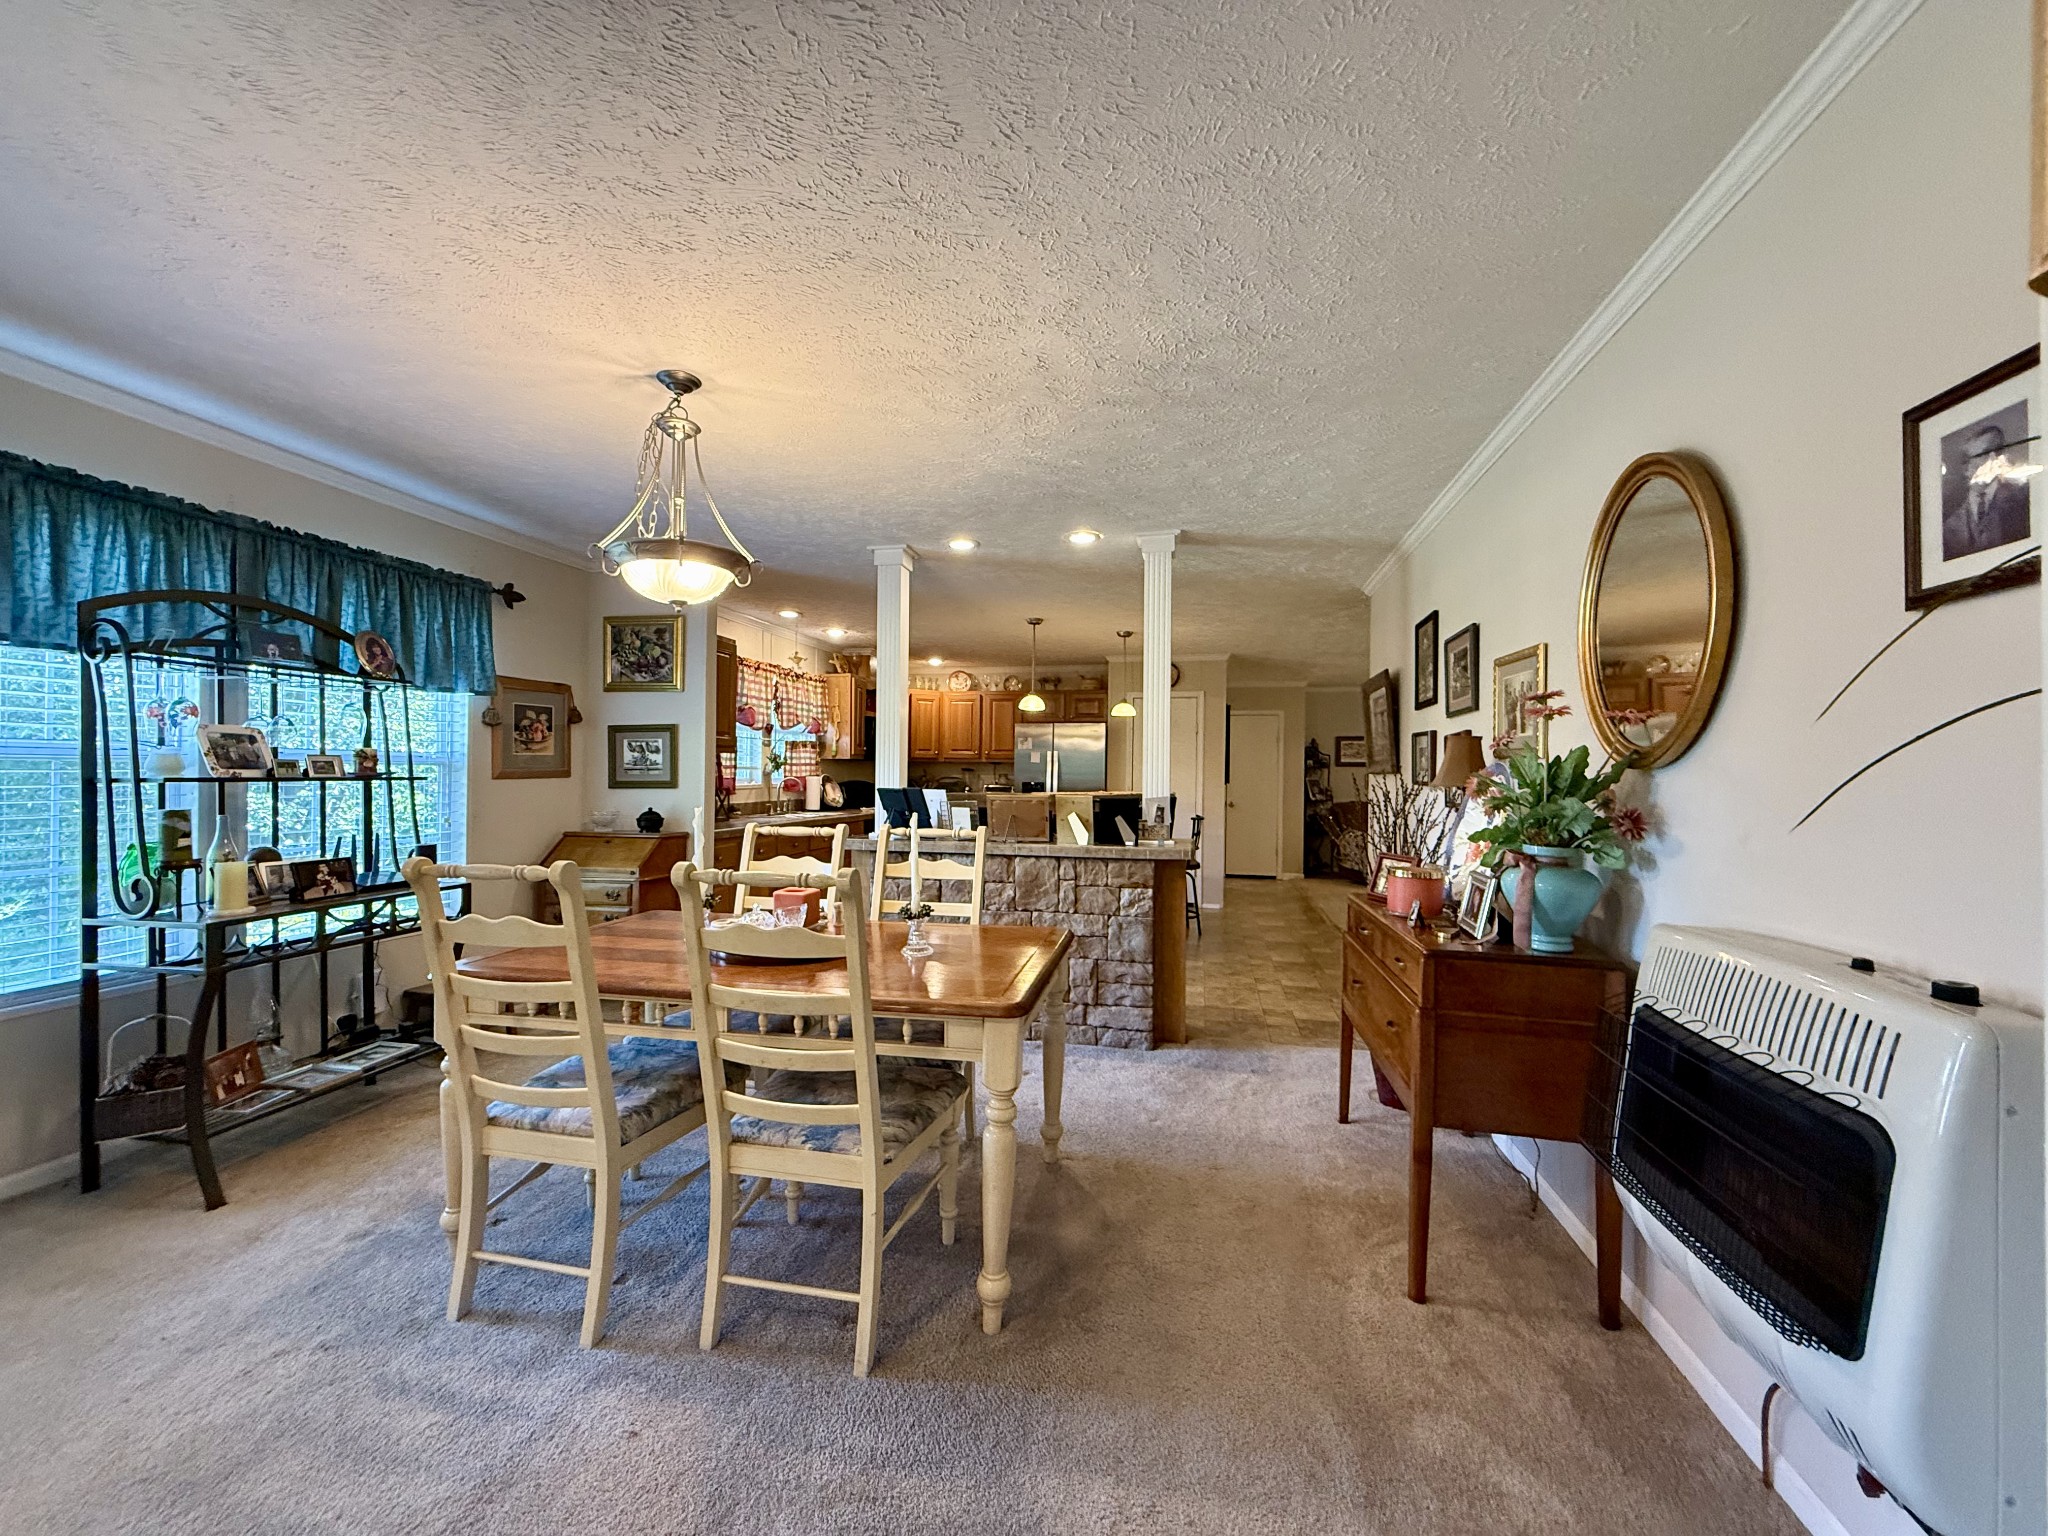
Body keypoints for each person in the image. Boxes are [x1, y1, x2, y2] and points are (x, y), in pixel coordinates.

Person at [1942, 420, 2031, 560]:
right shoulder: (1949, 522)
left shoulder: (2024, 502)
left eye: (1997, 451)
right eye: (1968, 458)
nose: (1994, 458)